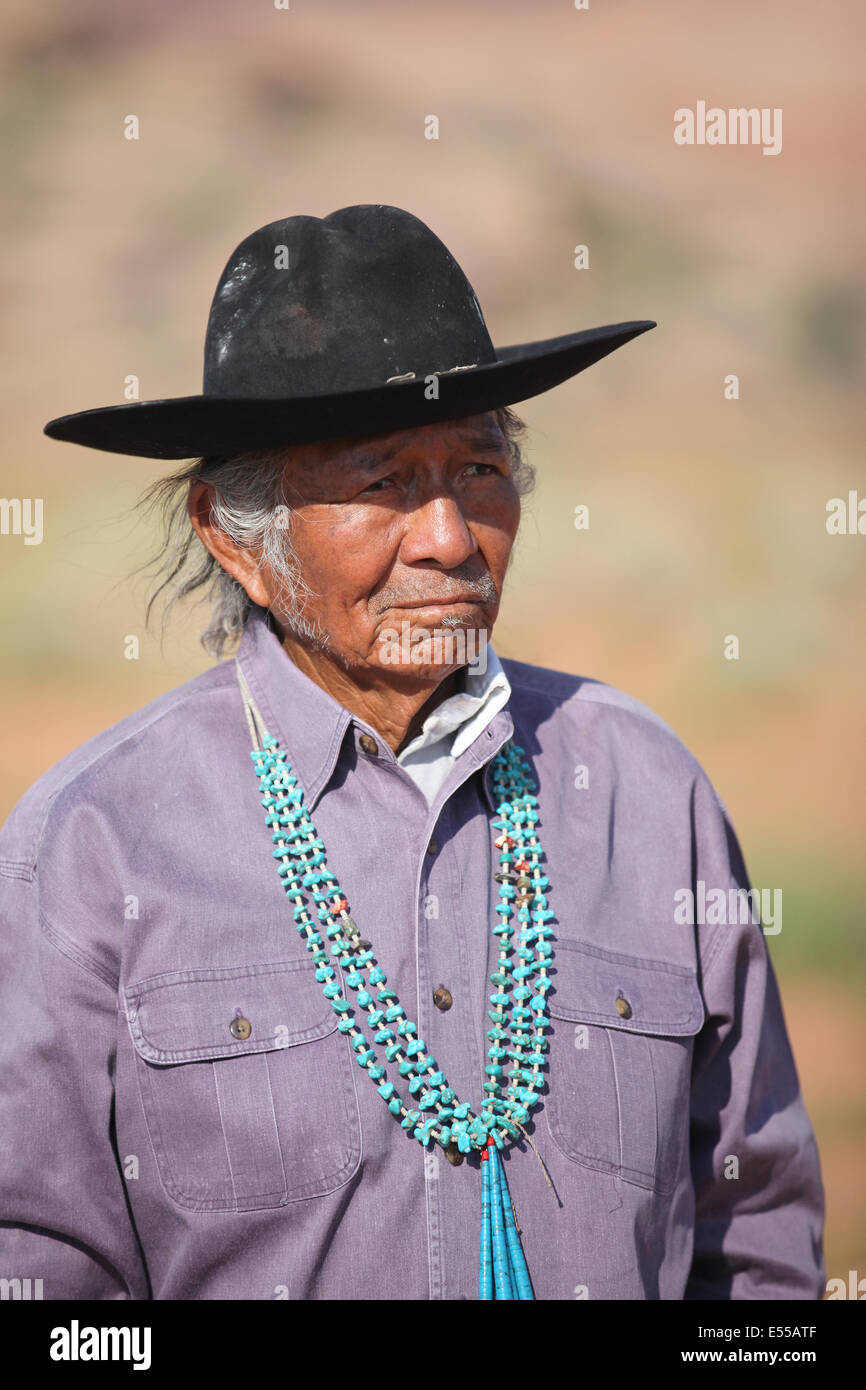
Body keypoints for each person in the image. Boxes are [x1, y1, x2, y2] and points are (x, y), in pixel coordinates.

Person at [0, 205, 824, 1300]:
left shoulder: (646, 793)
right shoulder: (94, 846)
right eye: (383, 481)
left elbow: (754, 1222)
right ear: (231, 533)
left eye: (479, 470)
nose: (447, 536)